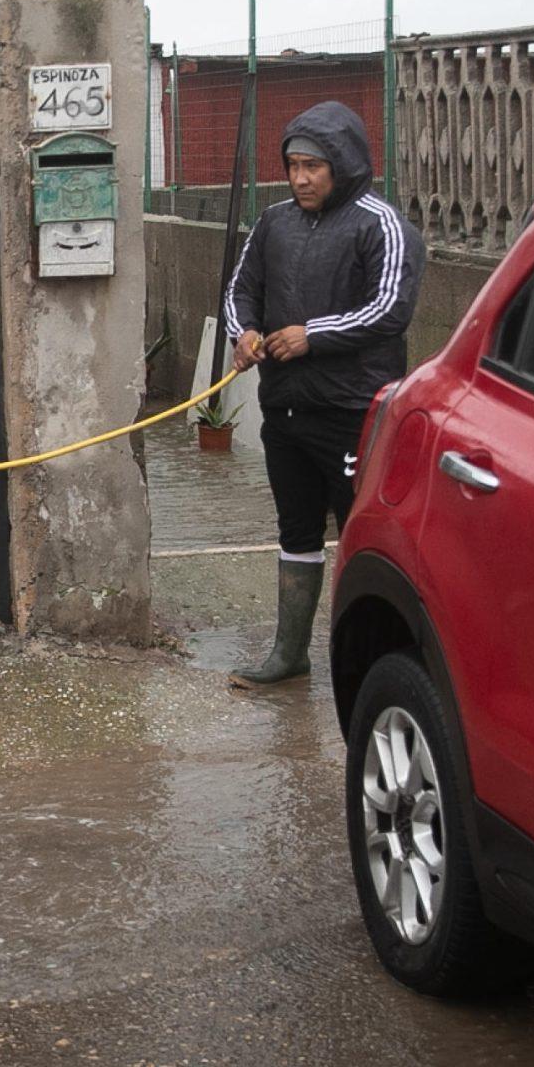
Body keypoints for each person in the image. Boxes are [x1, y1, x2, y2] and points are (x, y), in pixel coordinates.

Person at [223, 101, 425, 689]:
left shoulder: (380, 224)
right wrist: (247, 334)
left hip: (352, 413)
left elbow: (390, 310)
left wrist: (314, 336)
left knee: (363, 535)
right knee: (296, 533)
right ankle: (290, 654)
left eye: (314, 165)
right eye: (293, 165)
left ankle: (369, 660)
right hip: (285, 412)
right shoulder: (273, 223)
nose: (301, 178)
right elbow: (242, 291)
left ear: (343, 164)